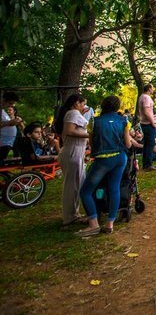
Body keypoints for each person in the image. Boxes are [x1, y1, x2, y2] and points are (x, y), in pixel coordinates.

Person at [76, 95, 131, 236]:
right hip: (120, 158)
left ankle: (93, 223)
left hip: (103, 159)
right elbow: (128, 144)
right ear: (117, 107)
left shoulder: (94, 121)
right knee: (114, 188)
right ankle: (110, 223)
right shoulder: (124, 121)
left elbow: (92, 144)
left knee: (86, 191)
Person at [55, 93, 90, 226]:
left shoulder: (74, 114)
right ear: (76, 103)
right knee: (72, 186)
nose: (83, 106)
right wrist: (89, 135)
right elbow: (69, 131)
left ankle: (73, 214)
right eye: (82, 103)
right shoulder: (73, 114)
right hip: (72, 152)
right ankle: (70, 217)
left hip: (76, 152)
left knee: (76, 184)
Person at [138, 84, 156, 171]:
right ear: (149, 89)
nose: (153, 90)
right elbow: (146, 111)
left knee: (146, 144)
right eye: (152, 88)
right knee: (150, 144)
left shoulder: (142, 96)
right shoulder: (146, 97)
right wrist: (152, 122)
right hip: (148, 123)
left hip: (144, 122)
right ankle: (148, 164)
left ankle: (146, 163)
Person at [0, 92, 23, 161]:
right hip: (2, 143)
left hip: (6, 143)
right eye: (10, 103)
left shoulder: (2, 111)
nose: (11, 106)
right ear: (3, 100)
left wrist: (13, 123)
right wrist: (10, 122)